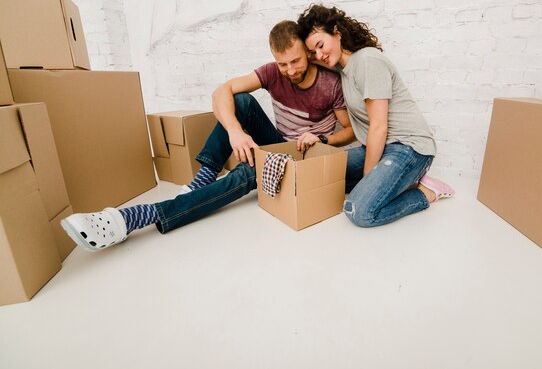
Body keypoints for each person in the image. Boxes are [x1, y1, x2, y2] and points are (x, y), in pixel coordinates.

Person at [61, 20, 355, 252]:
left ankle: (129, 219)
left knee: (244, 174)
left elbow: (350, 131)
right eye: (282, 64)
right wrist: (236, 132)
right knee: (240, 102)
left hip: (306, 155)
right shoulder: (272, 72)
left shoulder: (329, 83)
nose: (289, 70)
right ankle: (202, 178)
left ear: (306, 52)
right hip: (278, 142)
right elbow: (220, 92)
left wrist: (323, 139)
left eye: (295, 61)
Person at [297, 4, 454, 228]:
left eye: (321, 45)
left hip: (410, 148)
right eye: (314, 52)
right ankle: (396, 183)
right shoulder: (343, 69)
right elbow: (307, 57)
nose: (319, 55)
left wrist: (368, 177)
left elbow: (378, 127)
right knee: (324, 177)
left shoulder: (368, 62)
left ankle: (426, 193)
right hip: (381, 147)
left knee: (358, 211)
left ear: (337, 32)